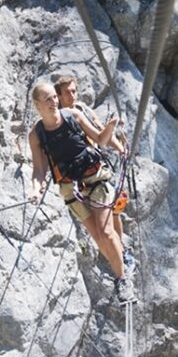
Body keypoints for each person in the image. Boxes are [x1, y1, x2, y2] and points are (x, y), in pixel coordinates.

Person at [28, 80, 127, 281]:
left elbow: (100, 139)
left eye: (54, 97)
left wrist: (111, 126)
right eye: (48, 99)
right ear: (37, 105)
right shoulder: (36, 135)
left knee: (106, 232)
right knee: (99, 239)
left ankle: (123, 278)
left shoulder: (73, 115)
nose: (53, 102)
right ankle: (121, 263)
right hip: (72, 189)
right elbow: (39, 170)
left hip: (95, 178)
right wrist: (35, 190)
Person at [53, 73, 126, 245]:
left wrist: (120, 149)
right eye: (67, 92)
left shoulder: (83, 110)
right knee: (101, 217)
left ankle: (120, 250)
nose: (72, 95)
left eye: (74, 91)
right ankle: (112, 250)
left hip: (95, 167)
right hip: (75, 175)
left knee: (114, 209)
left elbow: (102, 131)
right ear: (59, 96)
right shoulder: (56, 120)